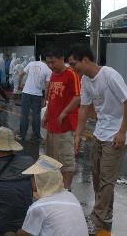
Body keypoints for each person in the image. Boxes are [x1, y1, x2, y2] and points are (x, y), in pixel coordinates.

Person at [67, 46, 127, 234]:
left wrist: (122, 132)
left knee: (106, 178)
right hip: (100, 132)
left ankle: (96, 219)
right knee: (97, 177)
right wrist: (78, 134)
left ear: (86, 60)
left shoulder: (109, 75)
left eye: (74, 64)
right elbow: (84, 108)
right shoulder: (85, 80)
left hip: (116, 134)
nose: (73, 69)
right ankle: (107, 212)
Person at [17, 155, 88, 236]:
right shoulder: (71, 197)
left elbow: (24, 234)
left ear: (38, 180)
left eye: (32, 177)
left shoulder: (38, 207)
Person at [42, 48, 81, 190]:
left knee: (66, 159)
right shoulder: (53, 75)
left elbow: (78, 96)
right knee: (52, 158)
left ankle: (67, 190)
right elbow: (52, 97)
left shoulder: (71, 74)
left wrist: (64, 112)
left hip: (66, 126)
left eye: (53, 62)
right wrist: (46, 113)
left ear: (61, 58)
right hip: (52, 124)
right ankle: (56, 187)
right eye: (48, 63)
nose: (51, 66)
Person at [17, 56, 52, 141]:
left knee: (24, 114)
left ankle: (22, 135)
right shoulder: (48, 70)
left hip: (26, 92)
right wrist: (45, 99)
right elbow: (47, 87)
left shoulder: (31, 64)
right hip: (37, 94)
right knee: (36, 115)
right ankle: (37, 135)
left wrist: (19, 84)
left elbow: (21, 74)